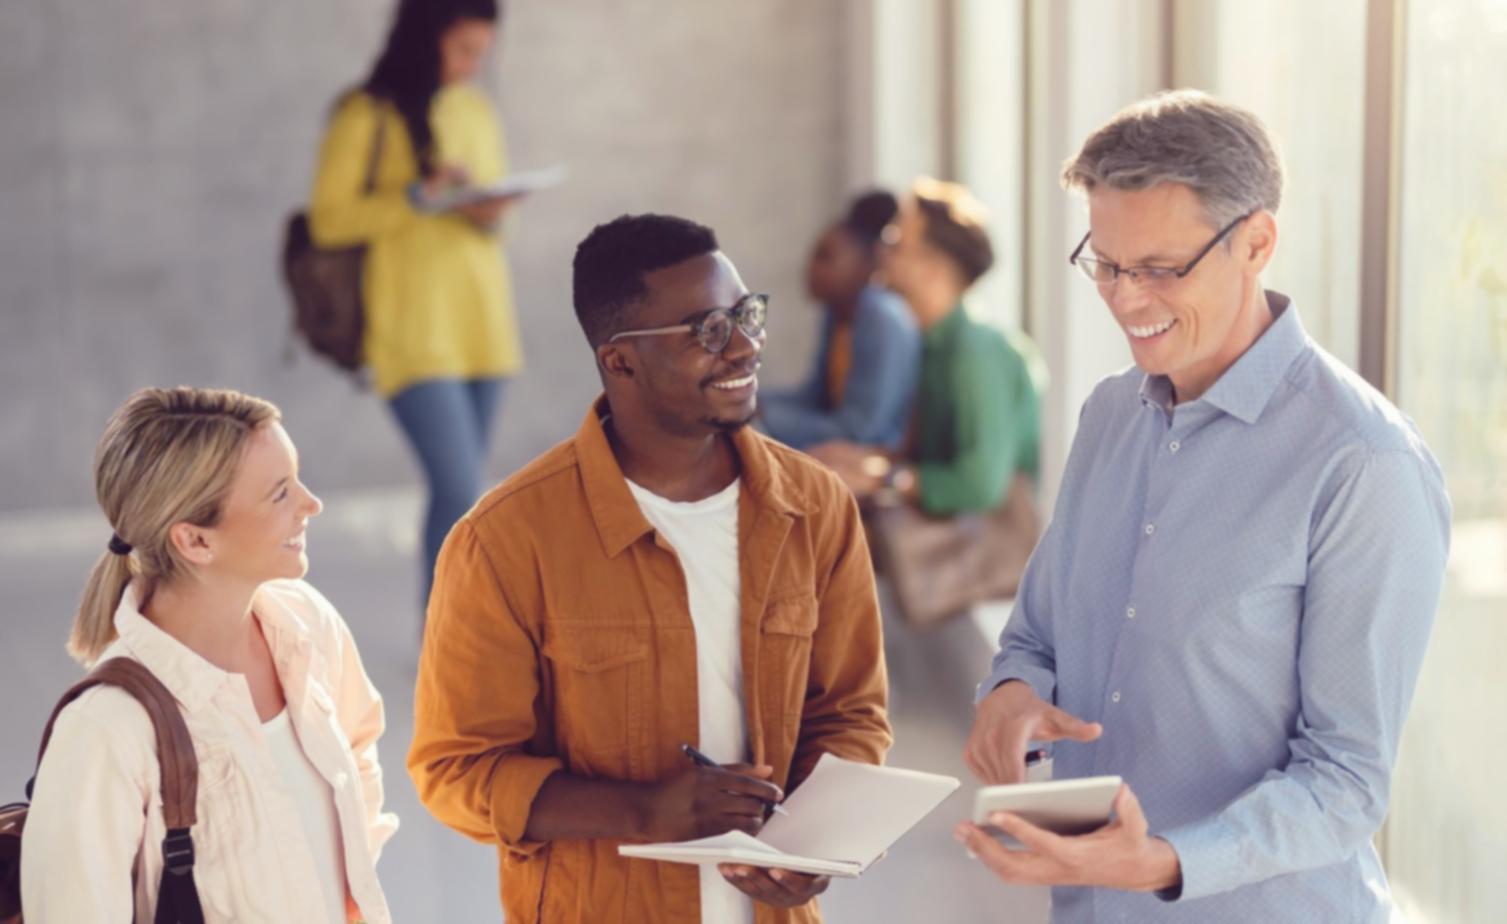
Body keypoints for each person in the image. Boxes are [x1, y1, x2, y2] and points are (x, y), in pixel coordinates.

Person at [958, 90, 1450, 922]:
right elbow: (1037, 633)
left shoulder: (1363, 464)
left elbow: (1346, 778)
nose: (1123, 298)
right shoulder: (1110, 415)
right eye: (1106, 264)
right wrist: (1010, 690)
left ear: (1255, 242)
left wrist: (1163, 862)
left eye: (1159, 268)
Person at [408, 214, 892, 923]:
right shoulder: (506, 540)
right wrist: (643, 811)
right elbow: (456, 772)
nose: (743, 345)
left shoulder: (815, 507)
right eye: (705, 330)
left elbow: (848, 714)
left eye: (743, 314)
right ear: (621, 360)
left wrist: (813, 845)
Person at [22, 387, 397, 923]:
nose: (312, 504)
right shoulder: (104, 733)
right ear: (195, 542)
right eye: (279, 494)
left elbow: (359, 750)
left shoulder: (308, 626)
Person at [308, 0, 522, 611]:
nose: (474, 66)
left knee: (466, 496)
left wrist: (483, 211)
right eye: (464, 50)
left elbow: (490, 220)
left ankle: (449, 637)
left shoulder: (475, 109)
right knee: (457, 485)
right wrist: (416, 197)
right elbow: (328, 221)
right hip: (413, 330)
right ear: (425, 39)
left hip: (484, 323)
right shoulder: (365, 114)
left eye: (482, 52)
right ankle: (446, 643)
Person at [810, 178, 1042, 517]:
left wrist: (882, 478)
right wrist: (862, 461)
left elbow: (980, 484)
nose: (880, 252)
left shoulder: (977, 352)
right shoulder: (931, 342)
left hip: (983, 559)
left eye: (895, 242)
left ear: (933, 268)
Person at [760, 190, 920, 450]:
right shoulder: (837, 314)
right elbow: (814, 397)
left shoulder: (881, 316)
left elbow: (862, 430)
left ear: (865, 264)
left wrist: (762, 415)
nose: (811, 268)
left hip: (876, 460)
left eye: (826, 257)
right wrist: (747, 402)